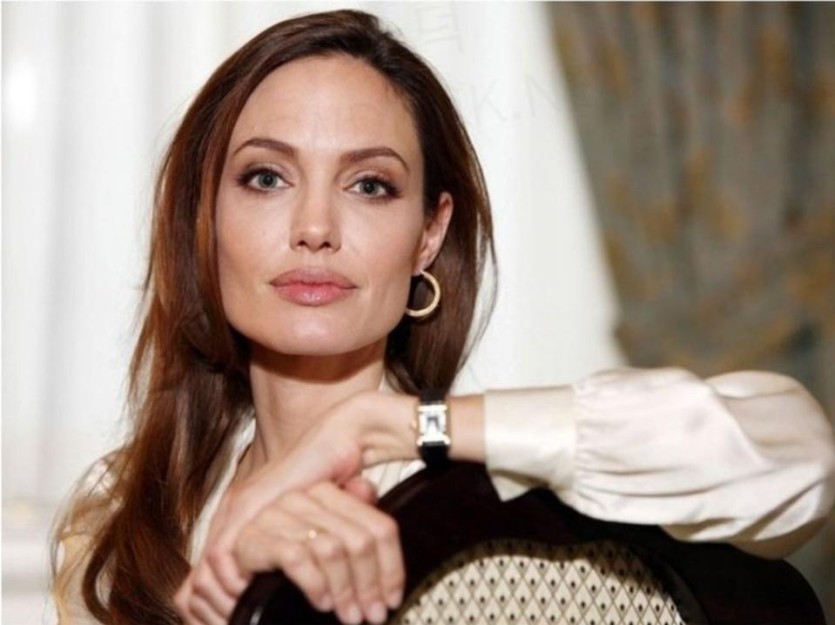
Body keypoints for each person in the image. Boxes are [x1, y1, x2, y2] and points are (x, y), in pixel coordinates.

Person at [51, 9, 835, 625]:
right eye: (266, 177)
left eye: (369, 185)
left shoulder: (492, 499)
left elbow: (799, 456)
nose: (314, 227)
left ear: (428, 234)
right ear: (204, 218)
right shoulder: (121, 516)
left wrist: (383, 427)